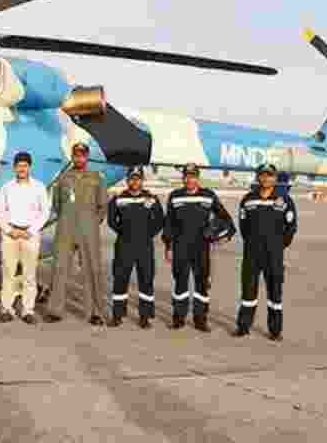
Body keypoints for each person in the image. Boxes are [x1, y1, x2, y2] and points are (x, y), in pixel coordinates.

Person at [162, 163, 235, 331]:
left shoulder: (208, 196)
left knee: (201, 284)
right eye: (187, 176)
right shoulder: (175, 196)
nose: (190, 179)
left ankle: (200, 320)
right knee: (180, 284)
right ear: (183, 178)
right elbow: (169, 224)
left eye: (193, 176)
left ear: (198, 178)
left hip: (201, 248)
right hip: (180, 247)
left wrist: (224, 236)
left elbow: (225, 219)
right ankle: (178, 318)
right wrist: (168, 246)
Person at [47, 142, 108, 325]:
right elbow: (57, 204)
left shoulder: (96, 177)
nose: (79, 158)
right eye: (76, 155)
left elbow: (102, 206)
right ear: (72, 157)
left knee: (92, 269)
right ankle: (55, 310)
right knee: (59, 268)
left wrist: (91, 223)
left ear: (87, 157)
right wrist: (68, 218)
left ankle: (94, 312)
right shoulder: (63, 178)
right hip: (66, 227)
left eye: (82, 155)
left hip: (88, 229)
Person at [235, 163, 297, 341]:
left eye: (269, 175)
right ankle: (243, 327)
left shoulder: (284, 200)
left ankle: (275, 331)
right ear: (258, 177)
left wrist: (278, 246)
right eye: (262, 175)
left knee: (275, 295)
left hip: (274, 255)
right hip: (252, 254)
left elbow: (291, 228)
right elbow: (243, 226)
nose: (266, 178)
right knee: (248, 292)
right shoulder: (248, 199)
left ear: (275, 178)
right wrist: (254, 243)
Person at [0, 152, 51, 324]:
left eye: (25, 165)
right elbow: (1, 212)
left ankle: (28, 310)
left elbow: (44, 213)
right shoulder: (6, 188)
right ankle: (6, 309)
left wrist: (31, 230)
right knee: (8, 273)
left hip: (30, 235)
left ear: (30, 167)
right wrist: (9, 229)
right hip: (10, 234)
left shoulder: (39, 187)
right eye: (19, 165)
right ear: (14, 168)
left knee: (29, 275)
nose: (22, 168)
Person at [107, 166, 164, 328]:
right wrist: (124, 232)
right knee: (120, 279)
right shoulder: (118, 199)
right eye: (132, 178)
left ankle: (145, 317)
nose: (134, 181)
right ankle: (118, 315)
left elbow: (160, 220)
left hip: (144, 246)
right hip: (124, 246)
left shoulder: (151, 199)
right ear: (127, 180)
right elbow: (112, 220)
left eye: (138, 178)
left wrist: (148, 234)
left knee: (146, 280)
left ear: (142, 180)